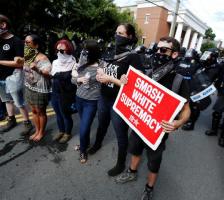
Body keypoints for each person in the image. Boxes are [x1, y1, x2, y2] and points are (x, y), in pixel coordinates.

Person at [115, 37, 191, 200]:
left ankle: (149, 188)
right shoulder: (147, 72)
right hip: (138, 125)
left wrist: (178, 122)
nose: (158, 52)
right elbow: (131, 90)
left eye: (163, 50)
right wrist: (124, 81)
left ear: (175, 54)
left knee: (153, 162)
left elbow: (186, 110)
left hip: (158, 133)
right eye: (157, 49)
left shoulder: (179, 81)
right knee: (135, 150)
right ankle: (132, 172)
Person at [88, 23, 143, 176]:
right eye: (116, 32)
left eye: (121, 33)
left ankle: (120, 163)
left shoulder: (133, 57)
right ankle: (97, 144)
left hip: (119, 102)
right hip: (104, 97)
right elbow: (104, 69)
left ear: (130, 37)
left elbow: (136, 84)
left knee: (120, 133)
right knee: (102, 124)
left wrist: (110, 79)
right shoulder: (110, 52)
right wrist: (100, 74)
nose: (117, 36)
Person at [0, 14, 33, 134]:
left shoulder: (16, 41)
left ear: (3, 25)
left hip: (13, 76)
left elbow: (19, 63)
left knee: (18, 101)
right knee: (6, 100)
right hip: (1, 77)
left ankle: (27, 123)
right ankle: (11, 119)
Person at [71, 39, 101, 163]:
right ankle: (85, 144)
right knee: (85, 124)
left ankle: (83, 151)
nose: (83, 53)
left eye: (85, 50)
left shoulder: (102, 66)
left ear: (92, 52)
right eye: (82, 50)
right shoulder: (82, 63)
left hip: (91, 102)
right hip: (79, 98)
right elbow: (72, 80)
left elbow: (107, 81)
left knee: (83, 128)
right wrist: (79, 79)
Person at [182, 48, 224, 131]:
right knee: (188, 103)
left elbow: (220, 80)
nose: (206, 56)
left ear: (213, 57)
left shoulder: (218, 67)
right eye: (206, 53)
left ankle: (191, 123)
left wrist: (220, 90)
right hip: (194, 85)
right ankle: (186, 117)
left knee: (196, 106)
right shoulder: (201, 63)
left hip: (204, 89)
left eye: (208, 54)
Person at [23, 34, 52, 142]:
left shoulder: (43, 58)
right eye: (25, 42)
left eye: (28, 42)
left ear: (36, 45)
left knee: (41, 111)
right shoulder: (27, 56)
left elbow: (49, 75)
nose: (25, 44)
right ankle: (36, 130)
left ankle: (41, 132)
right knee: (34, 111)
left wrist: (37, 69)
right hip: (29, 86)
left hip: (40, 88)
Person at [51, 39, 76, 144]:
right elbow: (54, 74)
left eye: (62, 50)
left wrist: (59, 75)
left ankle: (67, 133)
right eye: (58, 50)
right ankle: (61, 131)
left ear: (68, 50)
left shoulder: (73, 62)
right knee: (58, 113)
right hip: (55, 91)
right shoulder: (55, 62)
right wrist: (63, 75)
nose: (60, 52)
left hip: (67, 93)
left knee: (65, 114)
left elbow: (69, 77)